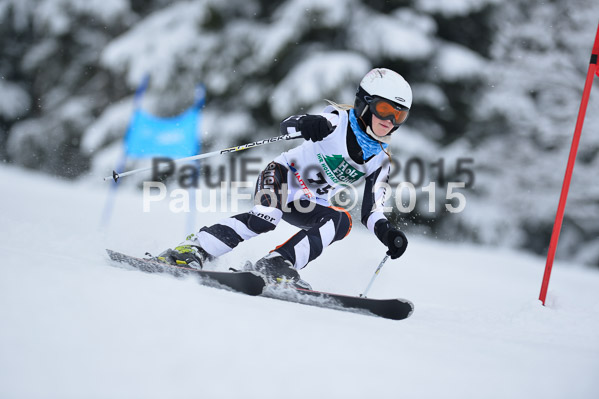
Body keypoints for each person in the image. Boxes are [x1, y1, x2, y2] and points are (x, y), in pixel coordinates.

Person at [156, 68, 410, 289]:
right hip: (281, 175)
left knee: (341, 221)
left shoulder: (381, 160)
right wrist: (308, 124)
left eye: (398, 115)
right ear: (365, 103)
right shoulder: (336, 121)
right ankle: (195, 248)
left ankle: (277, 263)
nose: (389, 121)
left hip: (307, 201)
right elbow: (287, 126)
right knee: (266, 218)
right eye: (384, 109)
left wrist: (387, 233)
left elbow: (371, 211)